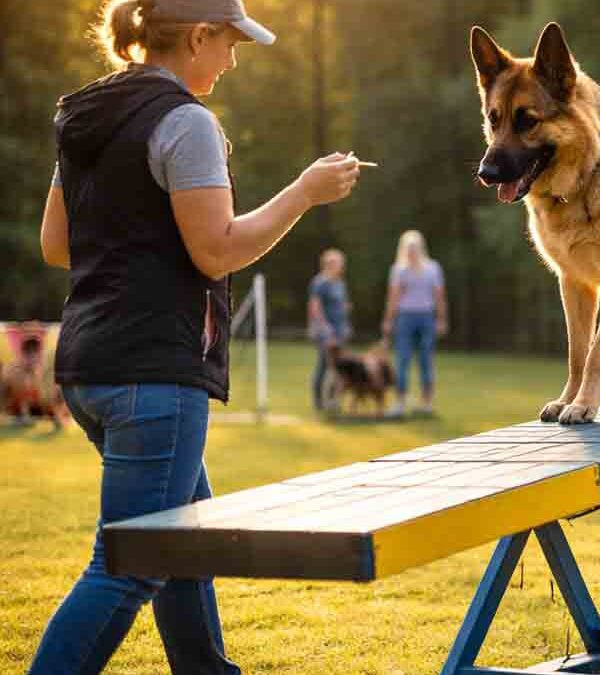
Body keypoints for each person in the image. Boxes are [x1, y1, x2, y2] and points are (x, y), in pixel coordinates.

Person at [32, 0, 361, 672]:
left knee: (187, 545)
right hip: (155, 375)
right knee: (129, 566)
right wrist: (303, 192)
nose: (234, 58)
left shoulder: (86, 115)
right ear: (198, 35)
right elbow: (217, 250)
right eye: (231, 43)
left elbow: (55, 243)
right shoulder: (186, 121)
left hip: (89, 366)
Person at [382, 230, 448, 417]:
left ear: (420, 248)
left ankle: (427, 403)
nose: (411, 252)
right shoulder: (399, 269)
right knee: (402, 359)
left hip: (427, 317)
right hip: (405, 317)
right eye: (408, 249)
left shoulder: (433, 268)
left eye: (414, 248)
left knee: (426, 360)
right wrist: (388, 320)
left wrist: (442, 319)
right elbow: (393, 298)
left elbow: (439, 297)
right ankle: (400, 403)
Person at [308, 248, 353, 411]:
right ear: (328, 264)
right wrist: (325, 330)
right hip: (327, 333)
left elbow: (342, 305)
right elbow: (315, 308)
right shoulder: (320, 283)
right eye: (337, 263)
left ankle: (334, 401)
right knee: (324, 366)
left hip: (341, 331)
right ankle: (319, 401)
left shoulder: (340, 283)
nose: (340, 266)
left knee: (339, 368)